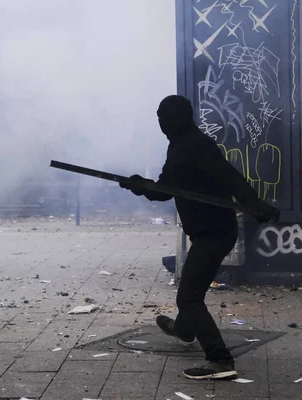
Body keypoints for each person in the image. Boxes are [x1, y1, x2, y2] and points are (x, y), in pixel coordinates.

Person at [120, 95, 280, 380]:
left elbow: (231, 178)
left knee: (189, 297)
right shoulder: (178, 145)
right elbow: (165, 189)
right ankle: (183, 329)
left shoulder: (198, 145)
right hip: (206, 233)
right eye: (158, 118)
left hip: (214, 234)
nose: (160, 123)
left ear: (178, 118)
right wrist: (139, 185)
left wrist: (257, 206)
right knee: (193, 289)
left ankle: (220, 360)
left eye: (164, 118)